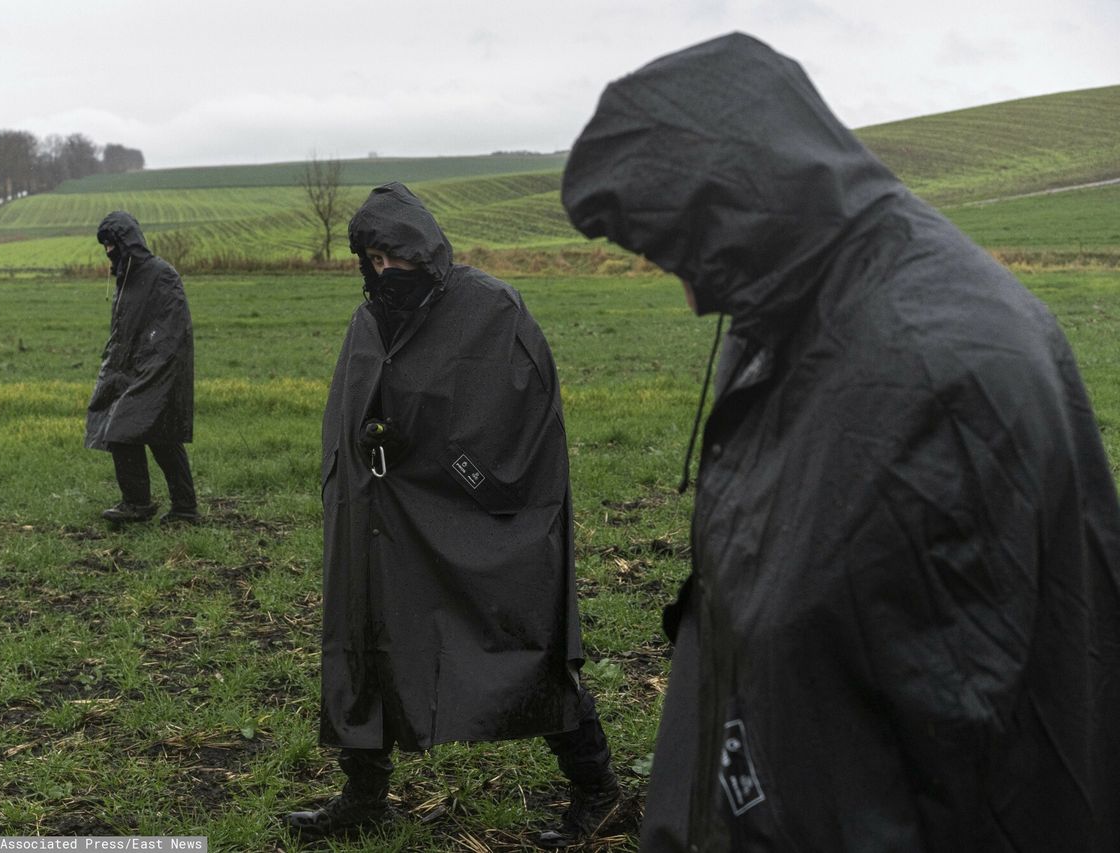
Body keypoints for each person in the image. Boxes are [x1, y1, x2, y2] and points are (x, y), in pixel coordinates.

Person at [560, 32, 1120, 853]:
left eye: (683, 249)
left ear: (736, 197)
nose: (688, 293)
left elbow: (951, 751)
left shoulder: (936, 368)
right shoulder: (788, 302)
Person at [287, 182, 619, 847]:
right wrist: (368, 444)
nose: (385, 272)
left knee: (521, 640)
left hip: (472, 519)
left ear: (425, 249)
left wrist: (430, 451)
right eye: (373, 261)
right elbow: (350, 414)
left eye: (395, 258)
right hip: (380, 517)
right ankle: (364, 791)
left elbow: (521, 426)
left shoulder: (492, 311)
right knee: (364, 637)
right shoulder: (369, 319)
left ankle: (600, 790)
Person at [84, 211, 198, 525]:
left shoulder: (161, 274)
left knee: (127, 431)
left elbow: (172, 327)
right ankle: (178, 507)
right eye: (105, 244)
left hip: (160, 369)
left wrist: (152, 366)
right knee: (158, 436)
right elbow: (123, 330)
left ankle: (142, 504)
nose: (108, 250)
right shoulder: (125, 277)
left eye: (112, 243)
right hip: (132, 369)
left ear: (127, 240)